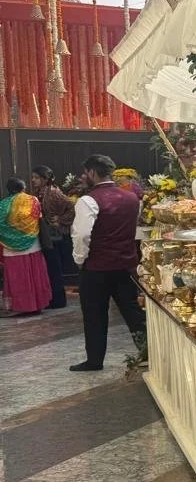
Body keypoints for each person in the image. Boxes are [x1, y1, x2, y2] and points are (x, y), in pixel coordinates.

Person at [70, 154, 147, 371]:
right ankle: (148, 352)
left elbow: (82, 235)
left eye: (86, 173)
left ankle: (94, 360)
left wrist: (79, 259)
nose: (84, 177)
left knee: (94, 314)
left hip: (96, 268)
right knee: (133, 312)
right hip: (126, 265)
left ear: (92, 173)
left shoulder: (88, 201)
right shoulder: (132, 198)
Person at [0, 178, 53, 316]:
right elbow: (37, 218)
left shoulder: (3, 205)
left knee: (18, 277)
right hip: (32, 243)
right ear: (23, 188)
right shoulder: (33, 200)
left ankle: (22, 306)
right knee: (35, 275)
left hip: (10, 248)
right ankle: (37, 304)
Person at [29, 165, 75, 309]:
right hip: (46, 234)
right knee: (49, 267)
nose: (33, 180)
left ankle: (58, 300)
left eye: (36, 177)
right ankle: (52, 298)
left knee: (54, 268)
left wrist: (60, 220)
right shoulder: (40, 192)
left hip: (55, 236)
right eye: (33, 177)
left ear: (45, 179)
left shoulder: (54, 192)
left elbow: (71, 206)